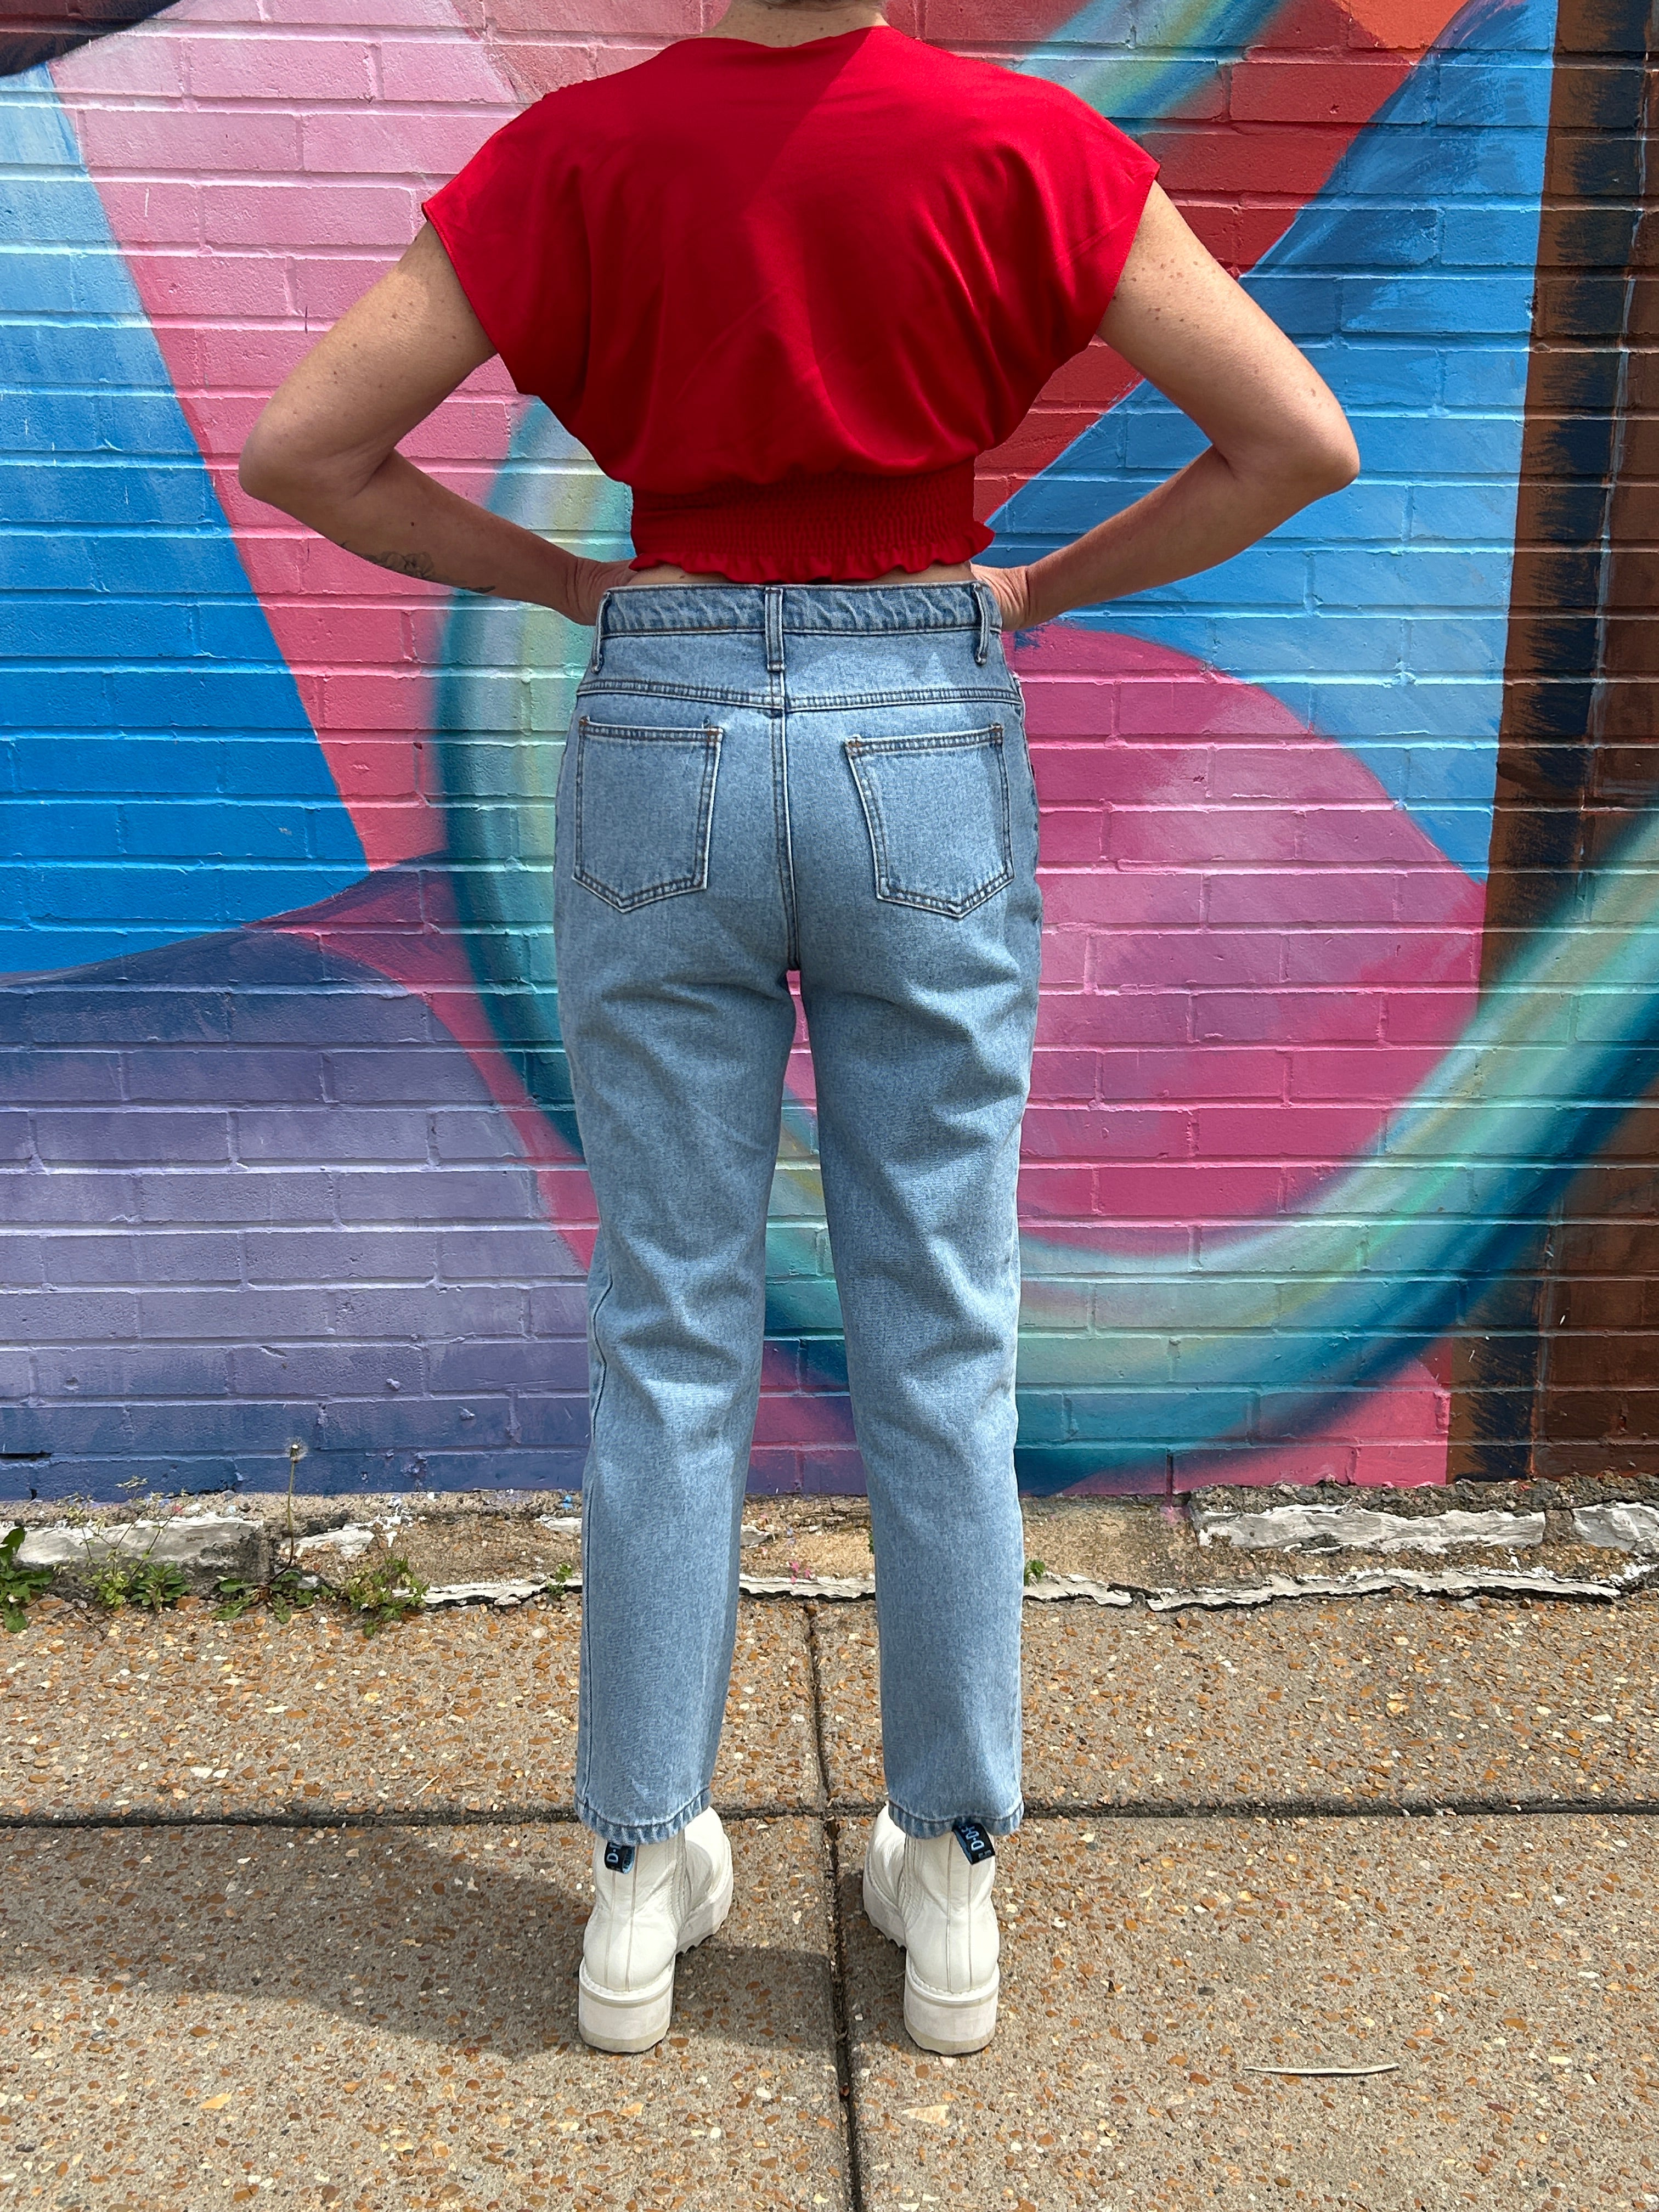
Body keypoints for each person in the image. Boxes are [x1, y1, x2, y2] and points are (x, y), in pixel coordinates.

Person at [240, 0, 1358, 2058]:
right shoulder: (1017, 148)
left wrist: (574, 592)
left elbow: (308, 447)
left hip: (661, 719)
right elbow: (1298, 437)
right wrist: (1053, 585)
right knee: (942, 1319)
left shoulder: (576, 161)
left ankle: (637, 1886)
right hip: (923, 715)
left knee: (672, 1320)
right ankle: (949, 1886)